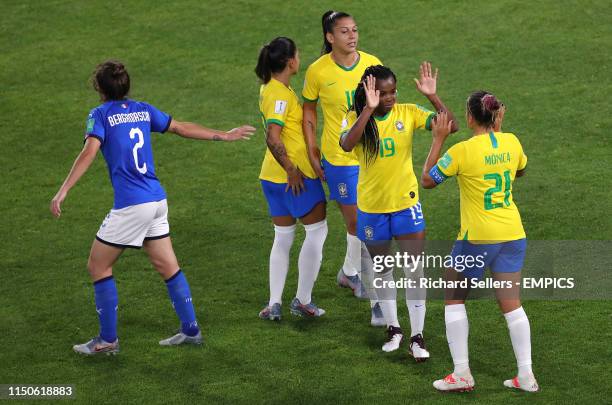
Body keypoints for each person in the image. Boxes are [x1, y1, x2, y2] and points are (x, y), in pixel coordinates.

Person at [50, 60, 255, 355]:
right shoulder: (143, 110)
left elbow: (89, 152)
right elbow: (181, 127)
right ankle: (190, 329)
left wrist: (63, 191)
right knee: (167, 266)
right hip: (157, 201)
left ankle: (107, 340)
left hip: (133, 205)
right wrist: (223, 133)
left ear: (99, 88)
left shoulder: (100, 115)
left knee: (98, 265)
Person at [421, 92, 539, 392]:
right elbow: (520, 170)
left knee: (453, 297)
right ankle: (526, 375)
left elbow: (428, 180)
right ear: (496, 116)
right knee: (511, 305)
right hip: (513, 234)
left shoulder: (462, 151)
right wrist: (498, 134)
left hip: (477, 238)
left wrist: (438, 139)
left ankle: (462, 373)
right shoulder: (511, 141)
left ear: (471, 117)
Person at [340, 63, 458, 360]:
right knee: (382, 270)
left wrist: (433, 97)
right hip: (371, 208)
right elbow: (345, 144)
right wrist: (368, 109)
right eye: (385, 92)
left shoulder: (408, 112)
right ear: (371, 92)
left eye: (394, 91)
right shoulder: (355, 118)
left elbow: (451, 126)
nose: (391, 97)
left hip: (406, 205)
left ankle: (417, 337)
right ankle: (394, 328)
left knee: (414, 270)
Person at [302, 10, 385, 324]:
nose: (352, 36)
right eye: (344, 32)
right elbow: (308, 112)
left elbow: (384, 104)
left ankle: (349, 272)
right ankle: (375, 300)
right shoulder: (318, 71)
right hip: (338, 159)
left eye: (355, 30)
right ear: (329, 37)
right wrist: (312, 149)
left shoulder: (371, 64)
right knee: (362, 224)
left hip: (369, 155)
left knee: (361, 225)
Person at [255, 37, 328, 320]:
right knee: (317, 232)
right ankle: (303, 300)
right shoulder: (280, 96)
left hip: (270, 178)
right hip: (294, 178)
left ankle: (274, 303)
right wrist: (291, 168)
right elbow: (273, 137)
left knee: (283, 237)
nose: (300, 58)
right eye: (297, 54)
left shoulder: (271, 89)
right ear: (289, 62)